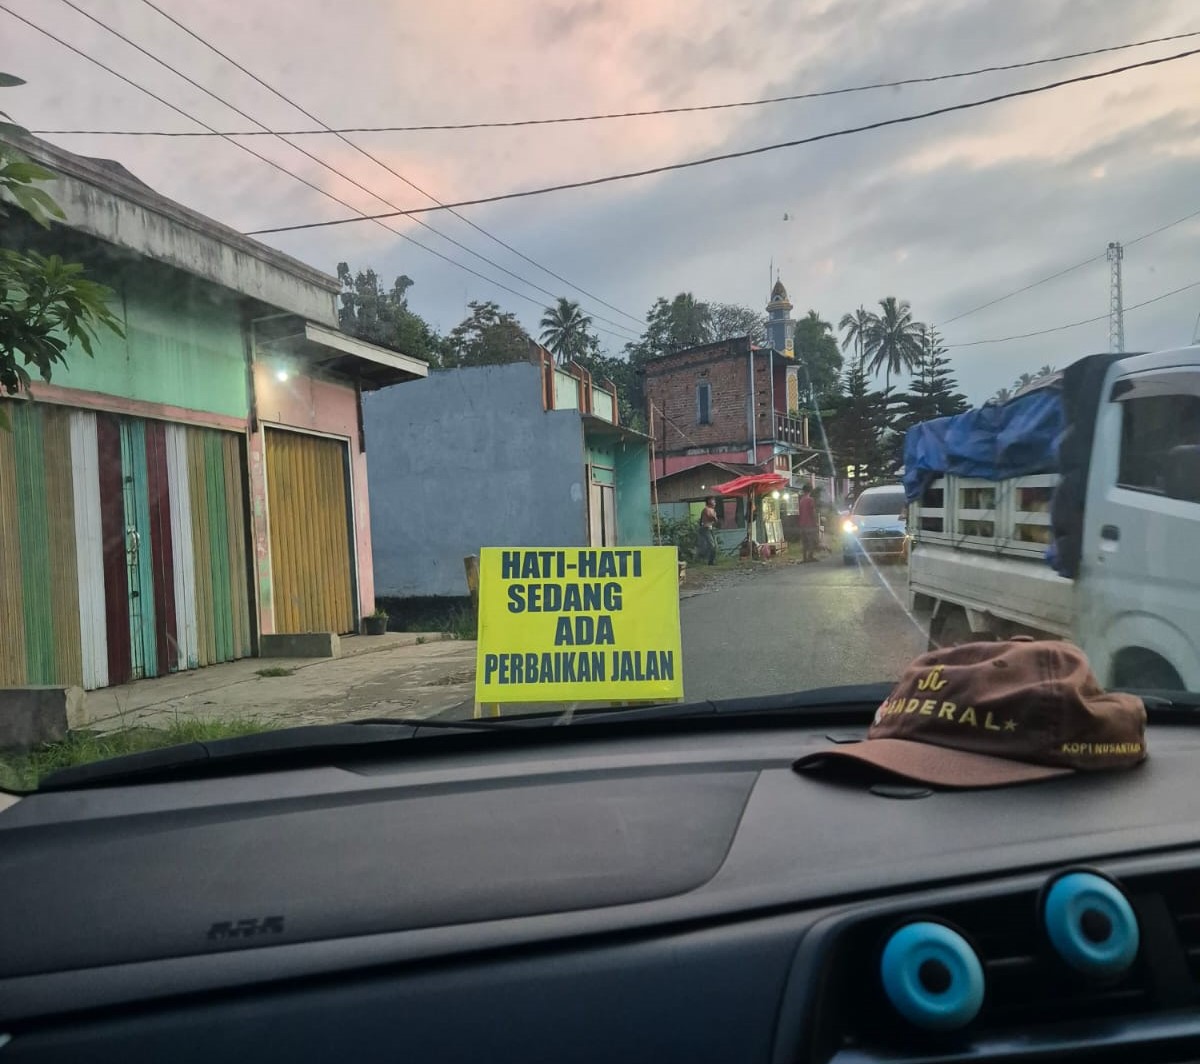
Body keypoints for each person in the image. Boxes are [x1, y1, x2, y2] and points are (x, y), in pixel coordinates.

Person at [797, 482, 819, 562]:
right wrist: (815, 522)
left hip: (802, 523)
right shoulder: (810, 500)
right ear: (810, 490)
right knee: (811, 541)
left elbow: (799, 512)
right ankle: (810, 556)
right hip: (810, 524)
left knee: (804, 541)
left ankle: (804, 558)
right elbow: (812, 512)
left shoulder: (801, 500)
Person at [698, 496, 719, 566]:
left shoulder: (712, 510)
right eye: (713, 501)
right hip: (705, 528)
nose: (715, 502)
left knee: (715, 545)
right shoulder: (706, 509)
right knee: (712, 545)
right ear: (709, 501)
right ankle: (710, 561)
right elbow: (712, 518)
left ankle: (711, 561)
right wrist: (714, 517)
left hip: (710, 528)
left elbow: (715, 520)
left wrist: (714, 518)